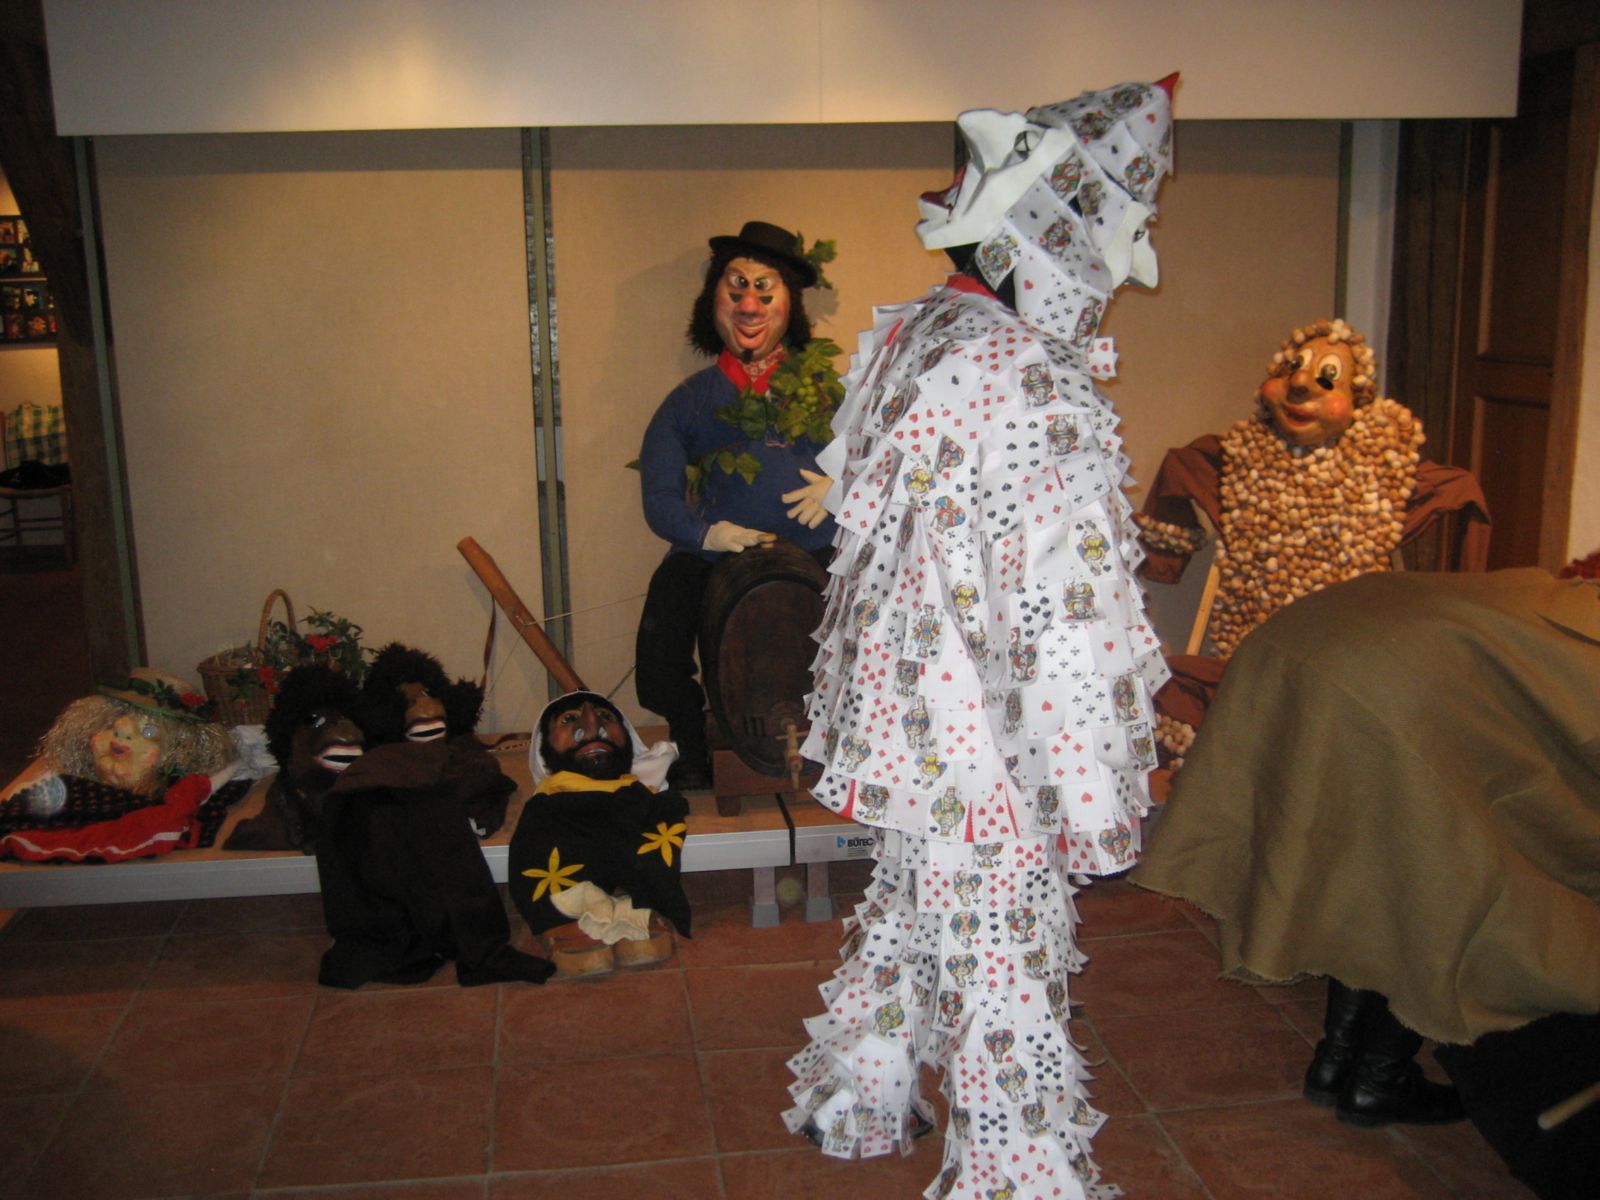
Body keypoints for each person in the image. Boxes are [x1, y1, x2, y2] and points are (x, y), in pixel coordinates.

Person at [780, 78, 1176, 1200]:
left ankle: (859, 1093)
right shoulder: (1028, 373)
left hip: (911, 703)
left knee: (919, 893)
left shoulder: (924, 331)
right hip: (989, 729)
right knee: (1005, 949)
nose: (1106, 279)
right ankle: (1019, 1179)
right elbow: (1064, 604)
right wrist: (1087, 781)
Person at [1132, 567, 1600, 1135]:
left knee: (1362, 858)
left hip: (1302, 645)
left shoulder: (1556, 595)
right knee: (1438, 866)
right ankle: (1379, 1079)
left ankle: (1337, 1059)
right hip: (1375, 677)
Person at [1134, 319, 1489, 764]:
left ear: (1357, 400)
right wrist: (1165, 557)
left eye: (1327, 377)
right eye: (1292, 369)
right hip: (1251, 662)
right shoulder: (1235, 460)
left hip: (1346, 670)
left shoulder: (1387, 470)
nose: (1300, 385)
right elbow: (1182, 465)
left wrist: (1455, 603)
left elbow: (1463, 492)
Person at [635, 221, 836, 788]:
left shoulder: (823, 391)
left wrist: (841, 488)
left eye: (765, 290)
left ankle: (844, 741)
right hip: (711, 557)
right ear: (714, 300)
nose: (750, 306)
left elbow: (880, 463)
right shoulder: (689, 401)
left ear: (790, 303)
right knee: (661, 640)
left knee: (866, 623)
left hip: (816, 551)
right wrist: (704, 534)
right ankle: (691, 743)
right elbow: (658, 496)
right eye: (737, 287)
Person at [508, 690, 692, 975]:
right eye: (568, 719)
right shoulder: (545, 807)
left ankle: (636, 901)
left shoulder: (639, 797)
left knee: (653, 828)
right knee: (542, 843)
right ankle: (562, 913)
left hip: (628, 801)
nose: (592, 726)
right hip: (558, 834)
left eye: (605, 716)